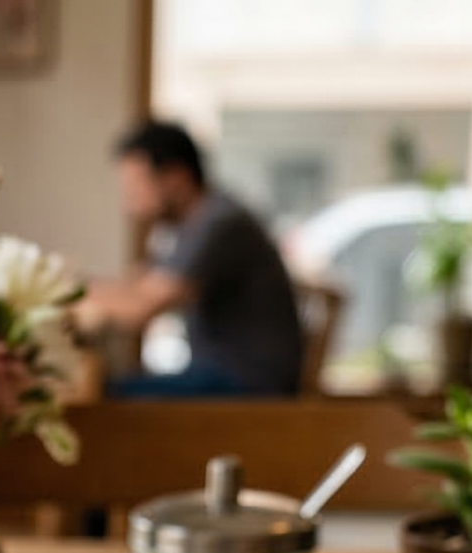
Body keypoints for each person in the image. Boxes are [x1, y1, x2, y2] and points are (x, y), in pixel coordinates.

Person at [77, 120, 304, 398]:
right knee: (107, 388)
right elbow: (139, 285)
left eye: (136, 186)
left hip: (246, 384)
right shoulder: (191, 224)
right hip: (224, 373)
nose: (129, 204)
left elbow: (139, 308)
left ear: (175, 177)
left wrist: (67, 293)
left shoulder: (218, 223)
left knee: (104, 396)